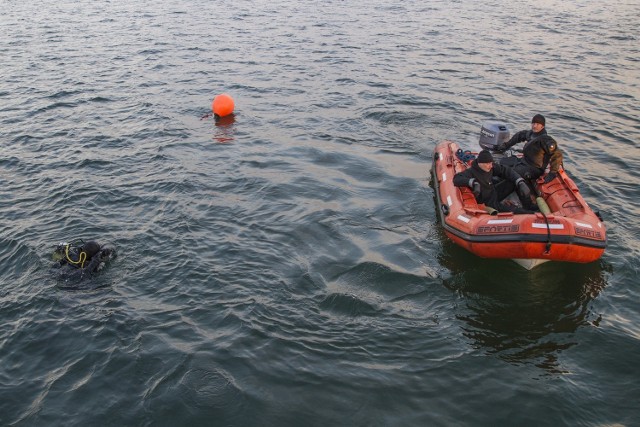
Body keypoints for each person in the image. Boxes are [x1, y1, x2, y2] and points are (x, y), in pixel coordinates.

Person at [453, 150, 534, 214]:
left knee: (514, 181)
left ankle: (528, 205)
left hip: (494, 192)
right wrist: (473, 182)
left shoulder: (490, 167)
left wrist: (520, 182)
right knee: (519, 212)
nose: (491, 166)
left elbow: (505, 170)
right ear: (480, 163)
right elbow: (456, 179)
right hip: (489, 203)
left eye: (491, 163)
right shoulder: (471, 172)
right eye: (488, 164)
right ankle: (531, 214)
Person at [496, 114, 564, 183]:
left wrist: (552, 172)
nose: (534, 126)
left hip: (534, 168)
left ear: (542, 126)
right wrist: (506, 145)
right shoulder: (531, 134)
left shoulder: (546, 140)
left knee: (512, 173)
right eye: (533, 123)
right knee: (502, 162)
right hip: (524, 161)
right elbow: (519, 135)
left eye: (537, 124)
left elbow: (557, 155)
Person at [51, 239, 116, 280]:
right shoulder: (90, 264)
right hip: (72, 280)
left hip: (58, 273)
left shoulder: (72, 256)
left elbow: (60, 262)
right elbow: (88, 272)